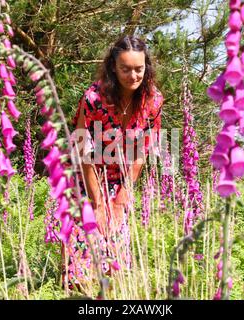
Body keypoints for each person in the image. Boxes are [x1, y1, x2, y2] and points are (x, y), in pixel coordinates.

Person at [65, 35, 163, 290]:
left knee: (115, 261)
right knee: (82, 259)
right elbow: (83, 150)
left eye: (139, 69)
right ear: (113, 68)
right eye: (125, 69)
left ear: (146, 67)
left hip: (121, 179)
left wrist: (121, 199)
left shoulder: (153, 101)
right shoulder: (94, 99)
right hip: (85, 177)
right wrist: (97, 203)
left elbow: (143, 150)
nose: (133, 75)